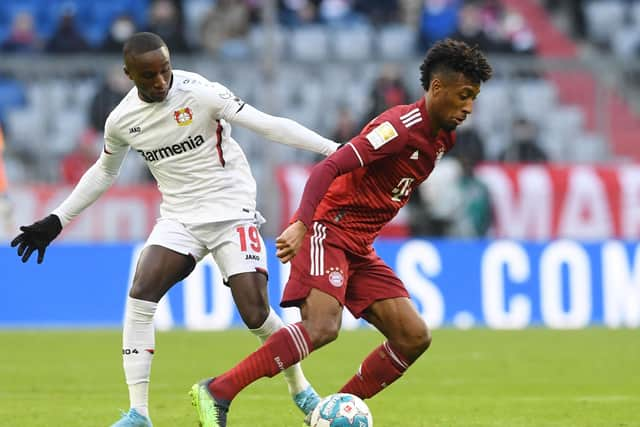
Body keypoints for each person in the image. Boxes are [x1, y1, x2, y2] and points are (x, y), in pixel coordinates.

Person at [10, 32, 340, 427]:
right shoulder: (121, 120)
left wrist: (334, 151)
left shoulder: (200, 93)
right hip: (180, 218)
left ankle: (299, 389)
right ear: (129, 75)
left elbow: (266, 124)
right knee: (140, 292)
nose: (161, 81)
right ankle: (138, 413)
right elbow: (103, 172)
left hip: (231, 210)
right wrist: (57, 220)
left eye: (164, 70)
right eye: (149, 76)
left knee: (255, 312)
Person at [189, 38, 492, 426]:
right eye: (464, 96)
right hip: (327, 229)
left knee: (413, 336)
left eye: (474, 99)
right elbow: (327, 168)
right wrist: (302, 222)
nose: (468, 108)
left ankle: (327, 414)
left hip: (359, 246)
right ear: (437, 88)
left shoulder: (443, 137)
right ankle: (218, 390)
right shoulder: (398, 128)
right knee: (322, 326)